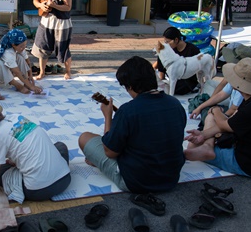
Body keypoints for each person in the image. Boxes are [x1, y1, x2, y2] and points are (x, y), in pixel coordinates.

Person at [78, 56, 186, 193]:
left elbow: (109, 152)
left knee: (85, 138)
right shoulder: (175, 104)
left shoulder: (128, 111)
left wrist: (108, 117)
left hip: (136, 181)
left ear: (131, 86)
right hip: (171, 177)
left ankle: (100, 162)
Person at [184, 58, 251, 177]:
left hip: (249, 164)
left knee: (192, 146)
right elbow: (230, 125)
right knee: (199, 140)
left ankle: (208, 147)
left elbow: (224, 125)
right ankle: (208, 146)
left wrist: (215, 109)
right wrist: (203, 134)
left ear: (239, 83)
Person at [0, 98, 71, 202]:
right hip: (65, 178)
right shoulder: (17, 117)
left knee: (0, 170)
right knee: (59, 146)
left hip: (38, 190)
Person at [189, 44, 251, 123]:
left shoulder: (243, 84)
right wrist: (201, 107)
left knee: (209, 116)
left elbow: (233, 109)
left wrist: (217, 114)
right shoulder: (236, 76)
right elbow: (222, 93)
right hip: (231, 108)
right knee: (206, 103)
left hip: (235, 115)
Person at [32, 0, 73, 80]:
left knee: (63, 47)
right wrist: (41, 6)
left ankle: (68, 71)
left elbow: (68, 7)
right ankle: (42, 72)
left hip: (62, 22)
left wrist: (54, 5)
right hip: (46, 20)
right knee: (42, 46)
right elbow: (35, 0)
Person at [0, 28, 42, 94]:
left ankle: (27, 83)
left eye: (25, 45)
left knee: (20, 57)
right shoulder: (7, 52)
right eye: (21, 46)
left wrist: (30, 76)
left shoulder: (20, 47)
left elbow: (27, 61)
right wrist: (32, 87)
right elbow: (17, 72)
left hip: (6, 76)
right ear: (13, 45)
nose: (23, 47)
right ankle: (19, 86)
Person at [153, 26, 200, 95]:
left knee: (178, 87)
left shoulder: (192, 50)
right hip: (170, 78)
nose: (166, 44)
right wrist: (161, 81)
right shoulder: (168, 49)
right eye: (165, 42)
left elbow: (198, 66)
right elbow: (160, 67)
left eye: (168, 42)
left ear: (176, 40)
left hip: (186, 80)